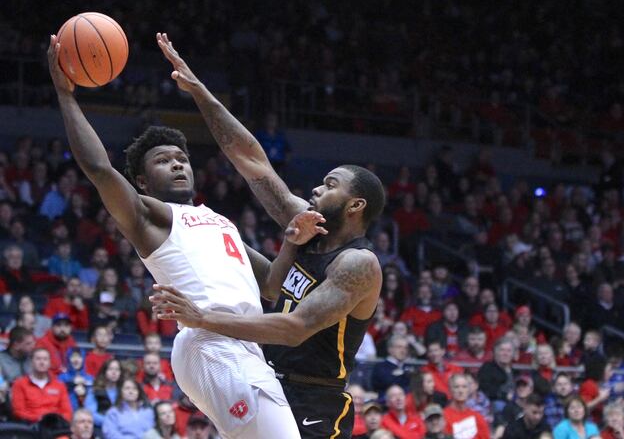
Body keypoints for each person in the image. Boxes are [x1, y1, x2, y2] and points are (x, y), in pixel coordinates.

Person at [48, 34, 309, 439]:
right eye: (163, 160)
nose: (177, 165)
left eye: (182, 158)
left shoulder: (218, 221)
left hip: (240, 342)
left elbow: (272, 287)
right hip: (211, 340)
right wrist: (66, 96)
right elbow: (100, 170)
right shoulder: (154, 216)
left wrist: (292, 238)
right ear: (141, 180)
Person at [151, 34, 386, 439]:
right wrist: (200, 92)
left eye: (330, 185)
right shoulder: (308, 225)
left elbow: (295, 327)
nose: (316, 189)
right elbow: (253, 163)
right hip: (264, 377)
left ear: (356, 206)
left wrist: (202, 317)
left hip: (316, 400)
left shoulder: (358, 264)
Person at [11, 347, 72, 423]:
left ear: (49, 363)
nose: (42, 362)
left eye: (45, 359)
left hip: (55, 426)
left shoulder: (59, 385)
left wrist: (56, 421)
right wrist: (39, 419)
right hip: (30, 426)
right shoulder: (19, 384)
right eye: (38, 359)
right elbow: (18, 412)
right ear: (31, 362)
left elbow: (67, 412)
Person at [442, 374, 490, 439]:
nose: (460, 391)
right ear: (450, 390)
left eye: (464, 387)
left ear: (468, 390)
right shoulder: (443, 416)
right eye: (456, 387)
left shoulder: (477, 417)